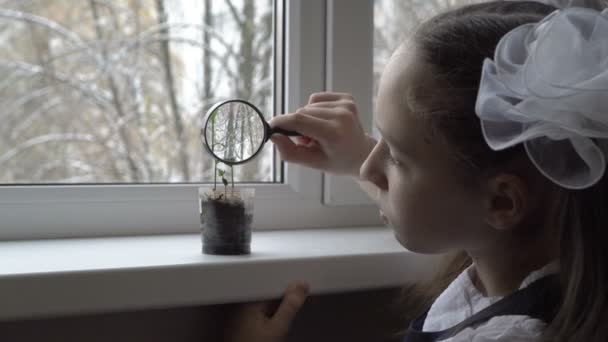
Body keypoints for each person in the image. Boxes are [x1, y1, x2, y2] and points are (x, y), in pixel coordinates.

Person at [226, 1, 608, 341]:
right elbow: (435, 196)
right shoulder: (545, 267)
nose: (369, 165)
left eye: (393, 153)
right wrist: (354, 156)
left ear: (503, 201)